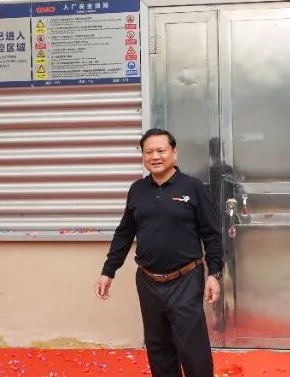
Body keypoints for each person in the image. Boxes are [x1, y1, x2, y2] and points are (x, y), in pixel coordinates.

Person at [96, 128, 224, 377]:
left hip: (185, 279)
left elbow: (211, 234)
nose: (155, 156)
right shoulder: (137, 189)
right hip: (148, 280)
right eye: (149, 152)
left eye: (161, 150)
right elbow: (124, 233)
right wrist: (108, 270)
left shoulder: (193, 187)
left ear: (174, 153)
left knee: (192, 348)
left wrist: (214, 273)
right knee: (159, 348)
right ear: (143, 156)